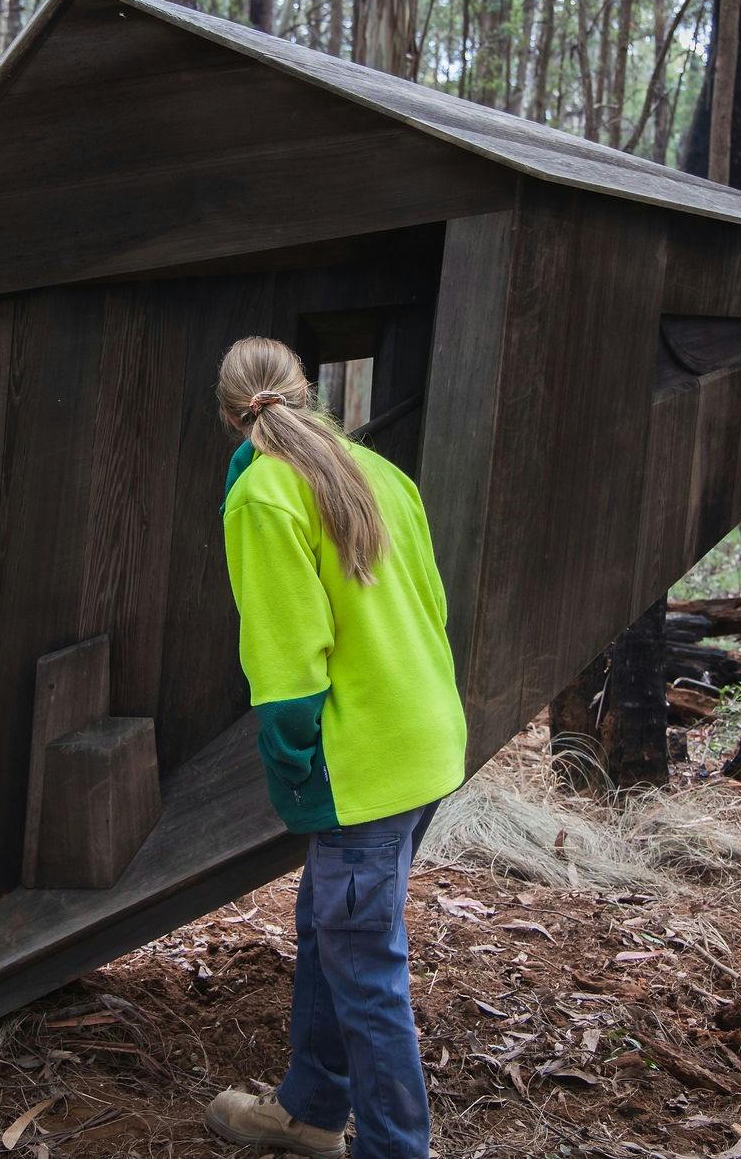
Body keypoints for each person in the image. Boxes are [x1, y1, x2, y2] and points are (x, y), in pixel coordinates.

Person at [204, 337, 467, 1159]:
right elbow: (432, 607)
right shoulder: (379, 471)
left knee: (366, 969)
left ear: (230, 417)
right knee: (331, 924)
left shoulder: (265, 494)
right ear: (305, 391)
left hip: (366, 761)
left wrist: (292, 769)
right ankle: (312, 1111)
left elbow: (287, 668)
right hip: (426, 739)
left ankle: (396, 1149)